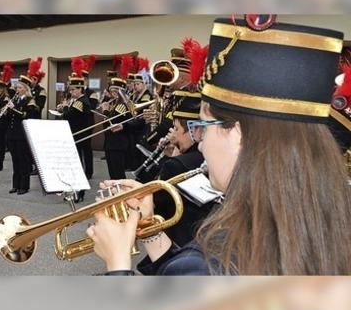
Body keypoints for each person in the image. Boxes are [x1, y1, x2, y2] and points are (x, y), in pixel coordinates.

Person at [88, 17, 351, 275]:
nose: (200, 145)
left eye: (203, 126)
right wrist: (152, 231)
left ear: (237, 133)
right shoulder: (320, 224)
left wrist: (118, 264)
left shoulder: (210, 261)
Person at [151, 91, 214, 247]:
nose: (174, 137)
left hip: (177, 245)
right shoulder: (211, 159)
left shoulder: (176, 165)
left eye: (177, 130)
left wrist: (172, 158)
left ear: (195, 131)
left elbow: (156, 201)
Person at [59, 59, 93, 202]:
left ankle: (80, 193)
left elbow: (69, 116)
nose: (71, 92)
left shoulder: (81, 101)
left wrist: (65, 107)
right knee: (73, 165)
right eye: (70, 89)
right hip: (73, 135)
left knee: (78, 165)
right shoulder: (76, 100)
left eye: (73, 89)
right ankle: (72, 191)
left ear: (80, 89)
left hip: (80, 136)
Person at [6, 67, 40, 195]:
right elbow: (12, 117)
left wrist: (14, 109)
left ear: (26, 88)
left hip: (22, 135)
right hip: (13, 134)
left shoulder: (30, 101)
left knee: (23, 160)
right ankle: (15, 184)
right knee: (15, 160)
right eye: (17, 87)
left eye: (20, 88)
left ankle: (24, 186)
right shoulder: (15, 100)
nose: (17, 90)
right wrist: (7, 110)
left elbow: (27, 115)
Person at [99, 56, 132, 180]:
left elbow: (112, 121)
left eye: (116, 92)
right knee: (112, 174)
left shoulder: (122, 105)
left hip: (118, 144)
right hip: (110, 143)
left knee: (118, 175)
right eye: (112, 92)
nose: (113, 94)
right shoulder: (113, 104)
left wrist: (105, 111)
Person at [0, 63, 13, 172]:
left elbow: (5, 112)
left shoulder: (5, 98)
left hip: (1, 125)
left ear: (1, 89)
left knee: (0, 146)